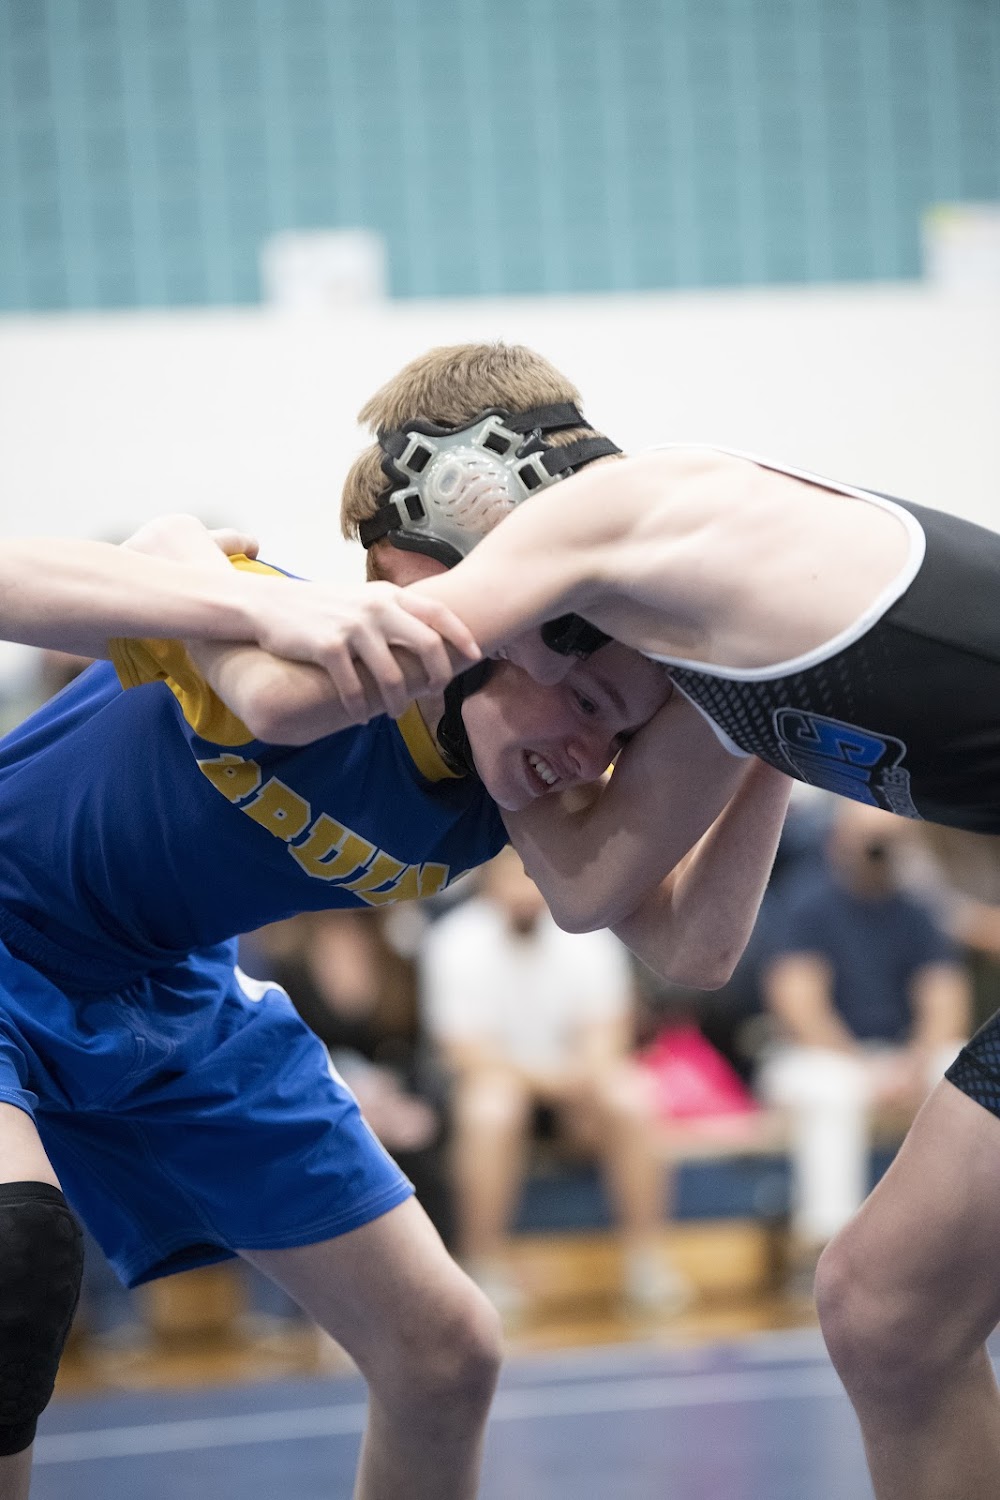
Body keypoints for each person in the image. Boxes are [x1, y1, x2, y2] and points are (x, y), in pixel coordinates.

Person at [0, 376, 791, 1499]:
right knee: (13, 1257)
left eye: (615, 737)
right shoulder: (321, 635)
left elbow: (692, 949)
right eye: (580, 706)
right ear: (498, 636)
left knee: (446, 1357)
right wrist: (231, 602)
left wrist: (774, 731)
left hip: (166, 997)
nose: (587, 760)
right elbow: (202, 630)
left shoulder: (502, 791)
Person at [338, 358, 1000, 1500]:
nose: (476, 652)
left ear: (477, 495)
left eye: (466, 616)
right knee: (887, 1313)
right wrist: (503, 749)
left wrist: (194, 586)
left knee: (892, 1307)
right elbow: (663, 932)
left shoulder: (641, 507)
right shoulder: (703, 662)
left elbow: (352, 670)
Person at [421, 847, 687, 1321]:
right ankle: (484, 1266)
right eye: (511, 880)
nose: (523, 892)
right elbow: (466, 1052)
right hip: (500, 1088)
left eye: (530, 878)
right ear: (488, 884)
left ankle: (647, 1263)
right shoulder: (453, 941)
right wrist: (550, 1081)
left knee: (631, 1095)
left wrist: (579, 1078)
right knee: (491, 1107)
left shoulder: (590, 935)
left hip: (574, 1092)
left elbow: (608, 1036)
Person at [758, 800, 969, 1276]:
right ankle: (825, 1248)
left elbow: (945, 1003)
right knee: (833, 1087)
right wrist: (863, 1067)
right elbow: (800, 1008)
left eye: (888, 842)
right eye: (870, 841)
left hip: (900, 1057)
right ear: (839, 841)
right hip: (815, 1056)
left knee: (959, 1071)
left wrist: (913, 1063)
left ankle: (959, 1235)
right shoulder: (806, 904)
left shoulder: (919, 911)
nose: (878, 852)